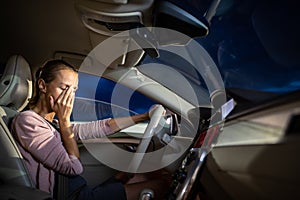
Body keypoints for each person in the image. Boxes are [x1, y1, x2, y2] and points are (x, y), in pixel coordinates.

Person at [11, 59, 170, 200]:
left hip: (78, 190)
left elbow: (103, 126)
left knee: (148, 175)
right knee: (162, 186)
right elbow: (73, 168)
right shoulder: (28, 121)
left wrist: (143, 116)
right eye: (64, 87)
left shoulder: (52, 125)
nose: (69, 96)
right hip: (70, 196)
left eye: (73, 90)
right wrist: (65, 121)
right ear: (42, 86)